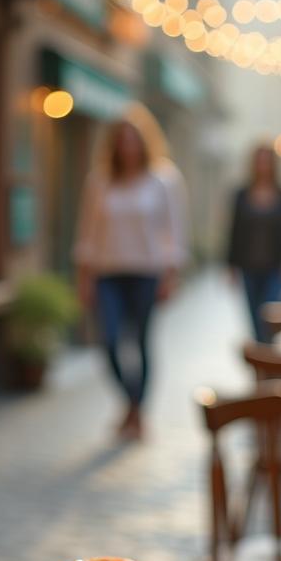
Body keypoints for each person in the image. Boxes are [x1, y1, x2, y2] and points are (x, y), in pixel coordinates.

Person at [74, 112, 188, 440]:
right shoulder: (100, 181)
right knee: (109, 341)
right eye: (121, 139)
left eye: (133, 138)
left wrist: (171, 274)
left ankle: (137, 413)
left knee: (140, 343)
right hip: (108, 273)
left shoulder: (164, 179)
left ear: (144, 142)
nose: (127, 146)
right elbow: (88, 233)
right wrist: (84, 276)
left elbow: (174, 231)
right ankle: (132, 404)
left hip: (146, 273)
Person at [227, 144, 281, 343]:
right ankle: (261, 361)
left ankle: (271, 356)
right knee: (253, 316)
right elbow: (234, 232)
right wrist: (231, 266)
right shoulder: (241, 195)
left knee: (271, 314)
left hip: (275, 268)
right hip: (248, 266)